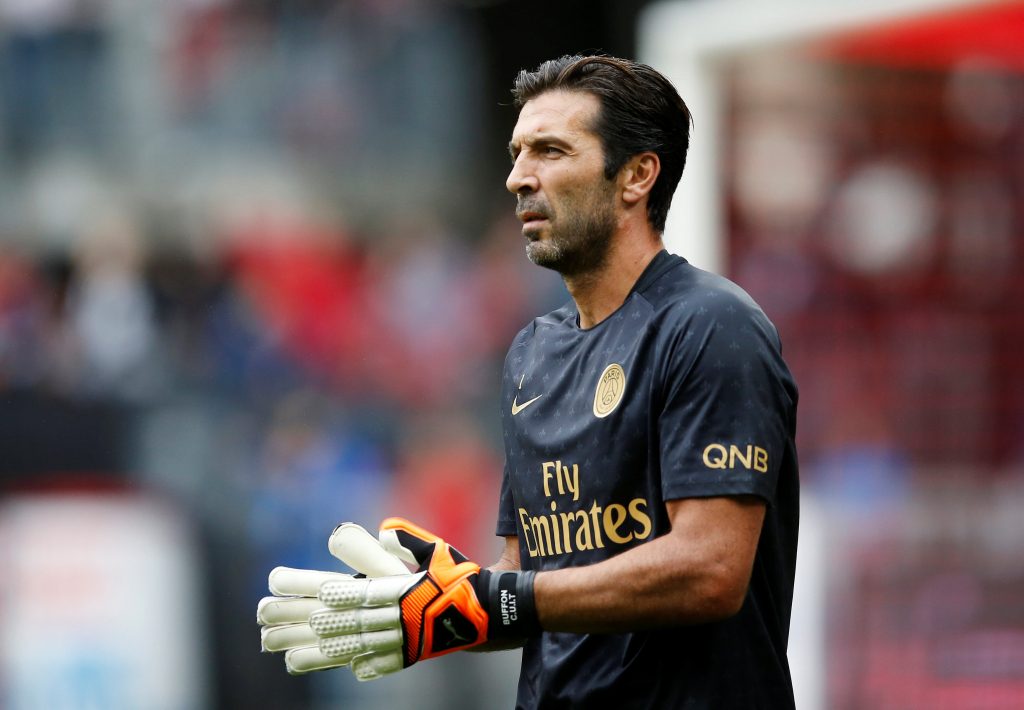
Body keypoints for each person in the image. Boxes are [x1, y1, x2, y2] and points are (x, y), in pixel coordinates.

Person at [258, 54, 799, 709]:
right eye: (517, 153)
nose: (518, 177)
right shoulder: (532, 354)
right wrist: (441, 604)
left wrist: (499, 599)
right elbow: (528, 585)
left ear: (636, 175)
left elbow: (710, 569)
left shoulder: (711, 325)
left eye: (550, 151)